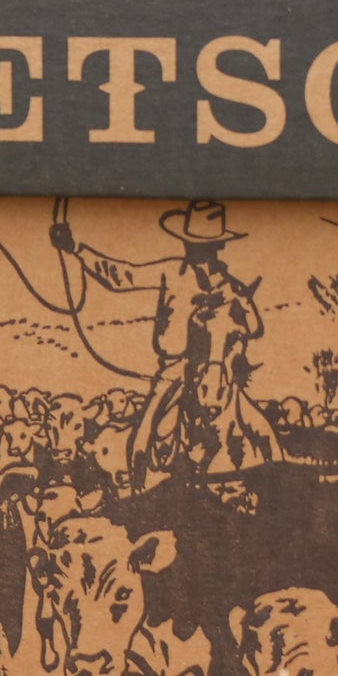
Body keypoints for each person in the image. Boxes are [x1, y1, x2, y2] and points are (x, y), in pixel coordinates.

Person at [50, 200, 279, 486]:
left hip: (215, 372)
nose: (193, 250)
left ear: (215, 248)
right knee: (142, 438)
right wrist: (76, 249)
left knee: (260, 428)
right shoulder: (171, 272)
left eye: (200, 246)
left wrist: (241, 300)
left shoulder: (231, 287)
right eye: (191, 244)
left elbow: (255, 328)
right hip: (173, 372)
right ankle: (137, 491)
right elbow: (122, 276)